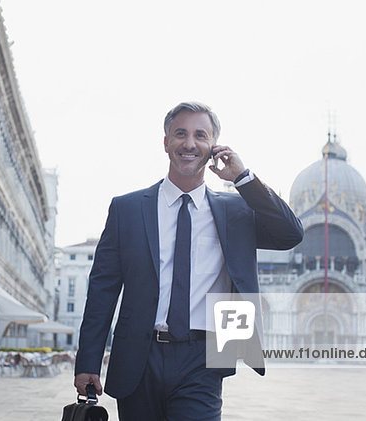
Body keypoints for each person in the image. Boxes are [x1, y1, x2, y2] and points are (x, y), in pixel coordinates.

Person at [74, 101, 303, 420]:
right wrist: (87, 362)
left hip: (204, 357)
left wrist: (242, 177)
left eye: (201, 135)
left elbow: (290, 234)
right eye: (180, 134)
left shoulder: (235, 212)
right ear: (166, 142)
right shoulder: (126, 210)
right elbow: (102, 292)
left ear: (213, 147)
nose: (189, 143)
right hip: (139, 356)